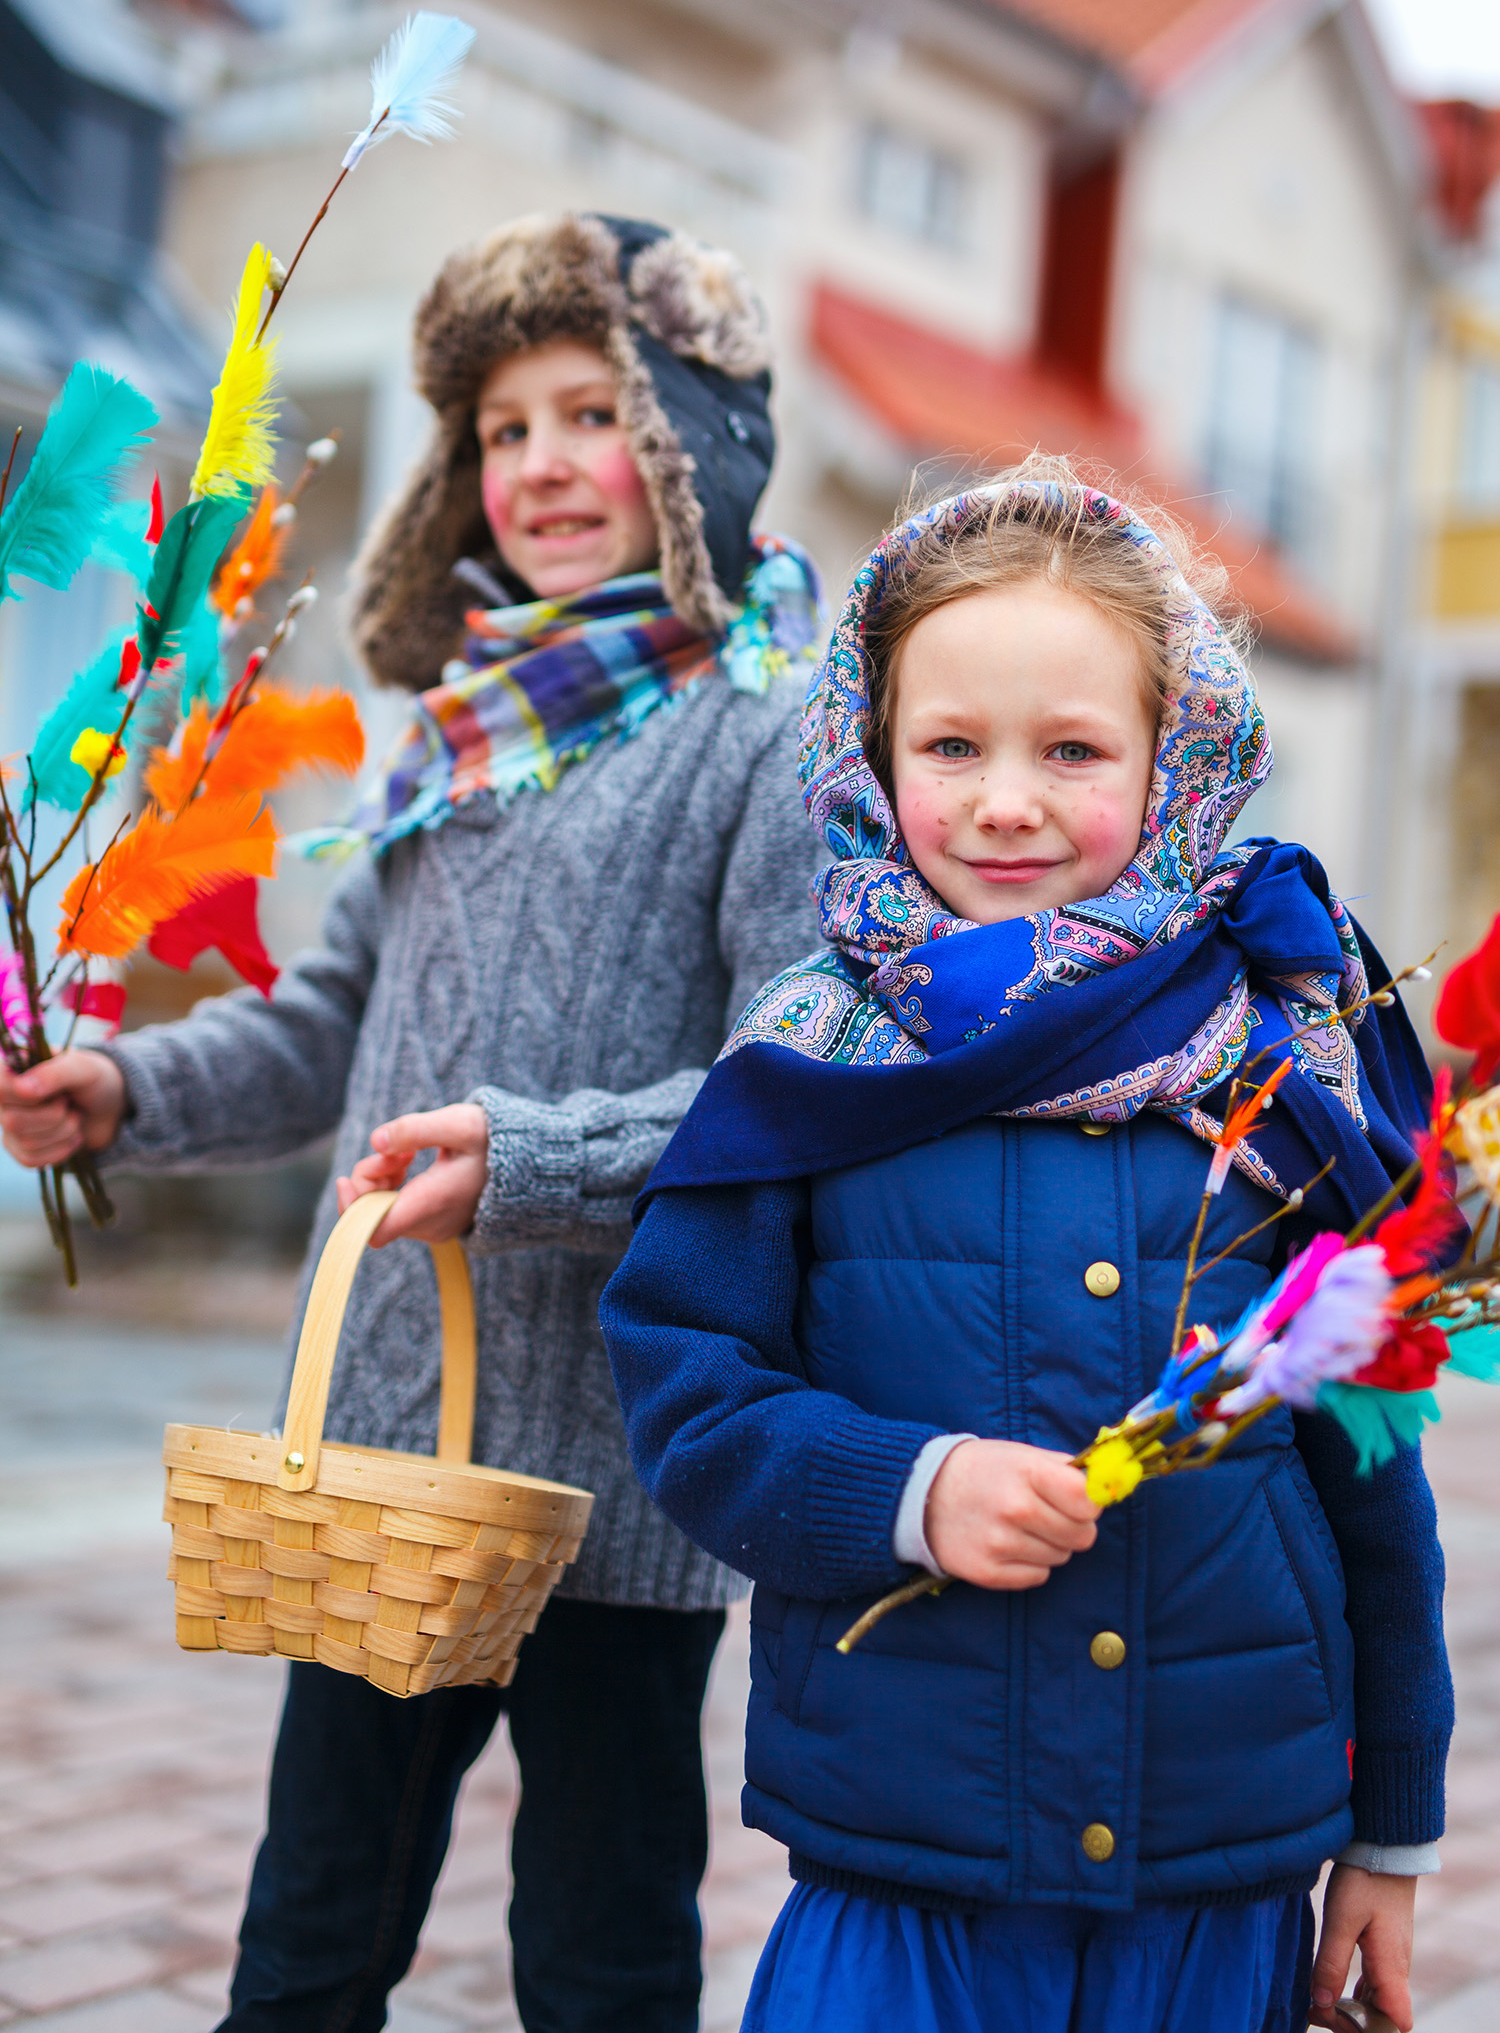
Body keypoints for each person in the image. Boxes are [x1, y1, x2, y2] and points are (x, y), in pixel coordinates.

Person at [0, 213, 824, 2033]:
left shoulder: (768, 736)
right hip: (384, 1454)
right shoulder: (452, 729)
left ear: (693, 448)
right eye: (502, 428)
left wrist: (530, 1159)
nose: (535, 464)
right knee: (310, 1935)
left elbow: (792, 1086)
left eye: (589, 413)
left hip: (624, 1457)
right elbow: (331, 1030)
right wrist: (126, 1092)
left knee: (602, 1953)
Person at [600, 464, 1452, 2033]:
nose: (1007, 799)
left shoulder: (1275, 1065)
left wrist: (1390, 1827)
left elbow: (1371, 1470)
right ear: (871, 755)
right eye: (952, 747)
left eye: (1072, 749)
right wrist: (908, 1488)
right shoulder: (809, 1054)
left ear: (1172, 761)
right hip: (903, 1854)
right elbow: (689, 1392)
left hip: (1214, 1863)